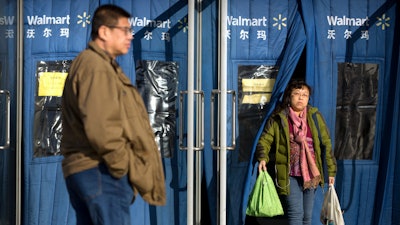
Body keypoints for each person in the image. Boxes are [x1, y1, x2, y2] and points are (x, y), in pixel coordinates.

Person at [61, 4, 166, 225]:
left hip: (95, 171)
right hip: (101, 171)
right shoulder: (95, 66)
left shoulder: (100, 65)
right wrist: (122, 167)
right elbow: (102, 127)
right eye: (125, 30)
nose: (130, 36)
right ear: (104, 32)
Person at [256, 79, 337, 225]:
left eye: (305, 95)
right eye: (297, 94)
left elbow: (327, 144)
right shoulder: (278, 118)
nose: (301, 98)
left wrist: (331, 171)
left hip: (312, 174)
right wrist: (263, 158)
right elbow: (265, 140)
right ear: (289, 96)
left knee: (307, 216)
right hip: (289, 173)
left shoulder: (315, 117)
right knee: (296, 214)